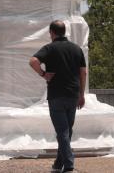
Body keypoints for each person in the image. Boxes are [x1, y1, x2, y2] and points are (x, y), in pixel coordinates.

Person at [30, 20, 87, 173]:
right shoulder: (76, 49)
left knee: (63, 132)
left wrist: (43, 74)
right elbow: (83, 73)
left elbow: (33, 61)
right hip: (73, 95)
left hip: (56, 95)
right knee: (67, 131)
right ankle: (57, 165)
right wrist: (82, 94)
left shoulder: (50, 48)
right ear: (64, 31)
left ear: (52, 33)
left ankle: (68, 166)